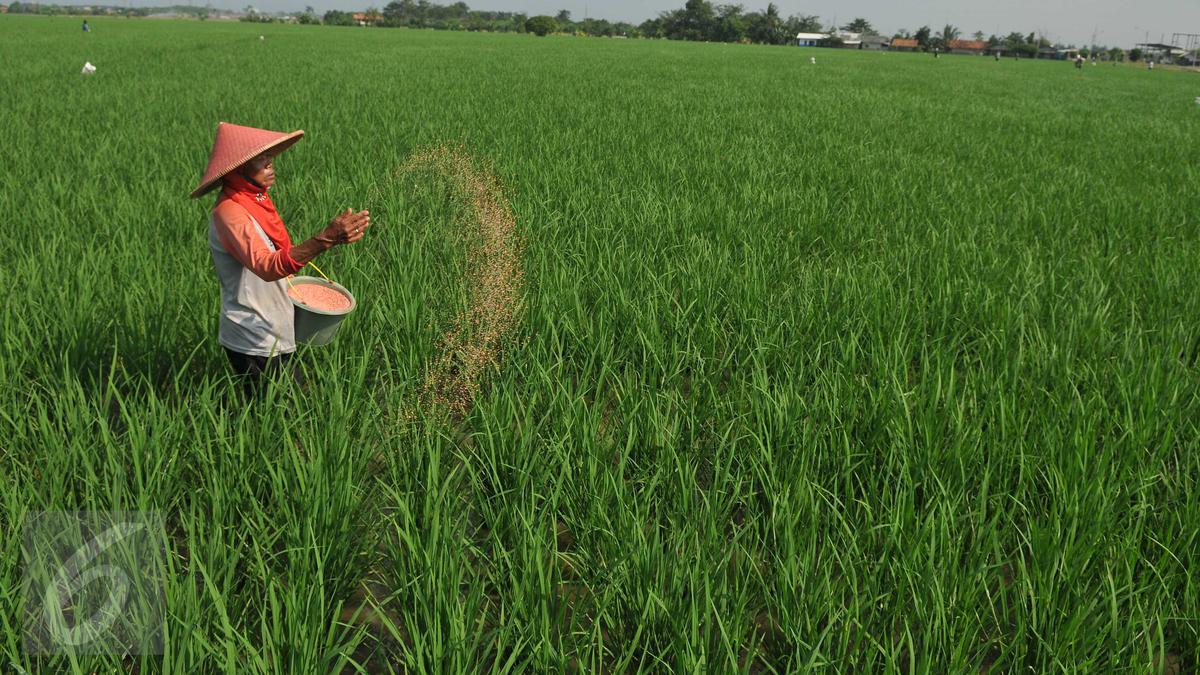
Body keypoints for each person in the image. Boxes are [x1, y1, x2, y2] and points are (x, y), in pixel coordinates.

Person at [190, 122, 371, 395]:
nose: (270, 164)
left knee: (281, 407)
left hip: (274, 324)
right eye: (261, 160)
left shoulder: (256, 202)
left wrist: (334, 238)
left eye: (269, 158)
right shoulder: (230, 212)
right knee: (279, 415)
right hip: (253, 335)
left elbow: (281, 258)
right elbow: (266, 266)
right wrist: (326, 238)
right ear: (238, 169)